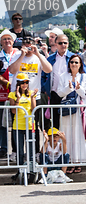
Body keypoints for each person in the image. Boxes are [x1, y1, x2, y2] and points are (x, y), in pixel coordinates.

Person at [9, 36, 52, 155]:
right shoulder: (17, 55)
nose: (28, 47)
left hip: (33, 96)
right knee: (16, 124)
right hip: (18, 95)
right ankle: (16, 152)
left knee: (34, 124)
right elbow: (12, 70)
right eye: (25, 44)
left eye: (30, 44)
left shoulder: (38, 57)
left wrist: (38, 53)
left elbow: (49, 69)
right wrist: (22, 55)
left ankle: (35, 152)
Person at [56, 54, 86, 173]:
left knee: (79, 135)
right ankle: (68, 160)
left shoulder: (85, 77)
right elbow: (60, 93)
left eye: (76, 62)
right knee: (67, 135)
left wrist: (78, 88)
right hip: (67, 110)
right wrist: (69, 88)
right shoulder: (63, 76)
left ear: (80, 64)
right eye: (72, 62)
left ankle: (78, 161)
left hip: (80, 111)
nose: (74, 64)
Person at [8, 73, 37, 168]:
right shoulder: (12, 94)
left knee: (30, 150)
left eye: (26, 82)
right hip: (18, 125)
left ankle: (31, 170)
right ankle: (20, 171)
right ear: (18, 83)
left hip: (30, 125)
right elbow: (13, 111)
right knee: (20, 151)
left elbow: (34, 109)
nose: (25, 84)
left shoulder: (31, 93)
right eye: (22, 82)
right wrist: (18, 98)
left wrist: (32, 97)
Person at [0, 29, 17, 158]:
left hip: (17, 93)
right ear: (1, 42)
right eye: (4, 39)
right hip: (3, 92)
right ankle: (4, 148)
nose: (7, 41)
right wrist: (5, 82)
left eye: (9, 39)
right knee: (3, 123)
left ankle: (16, 151)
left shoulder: (18, 54)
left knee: (17, 122)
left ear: (13, 41)